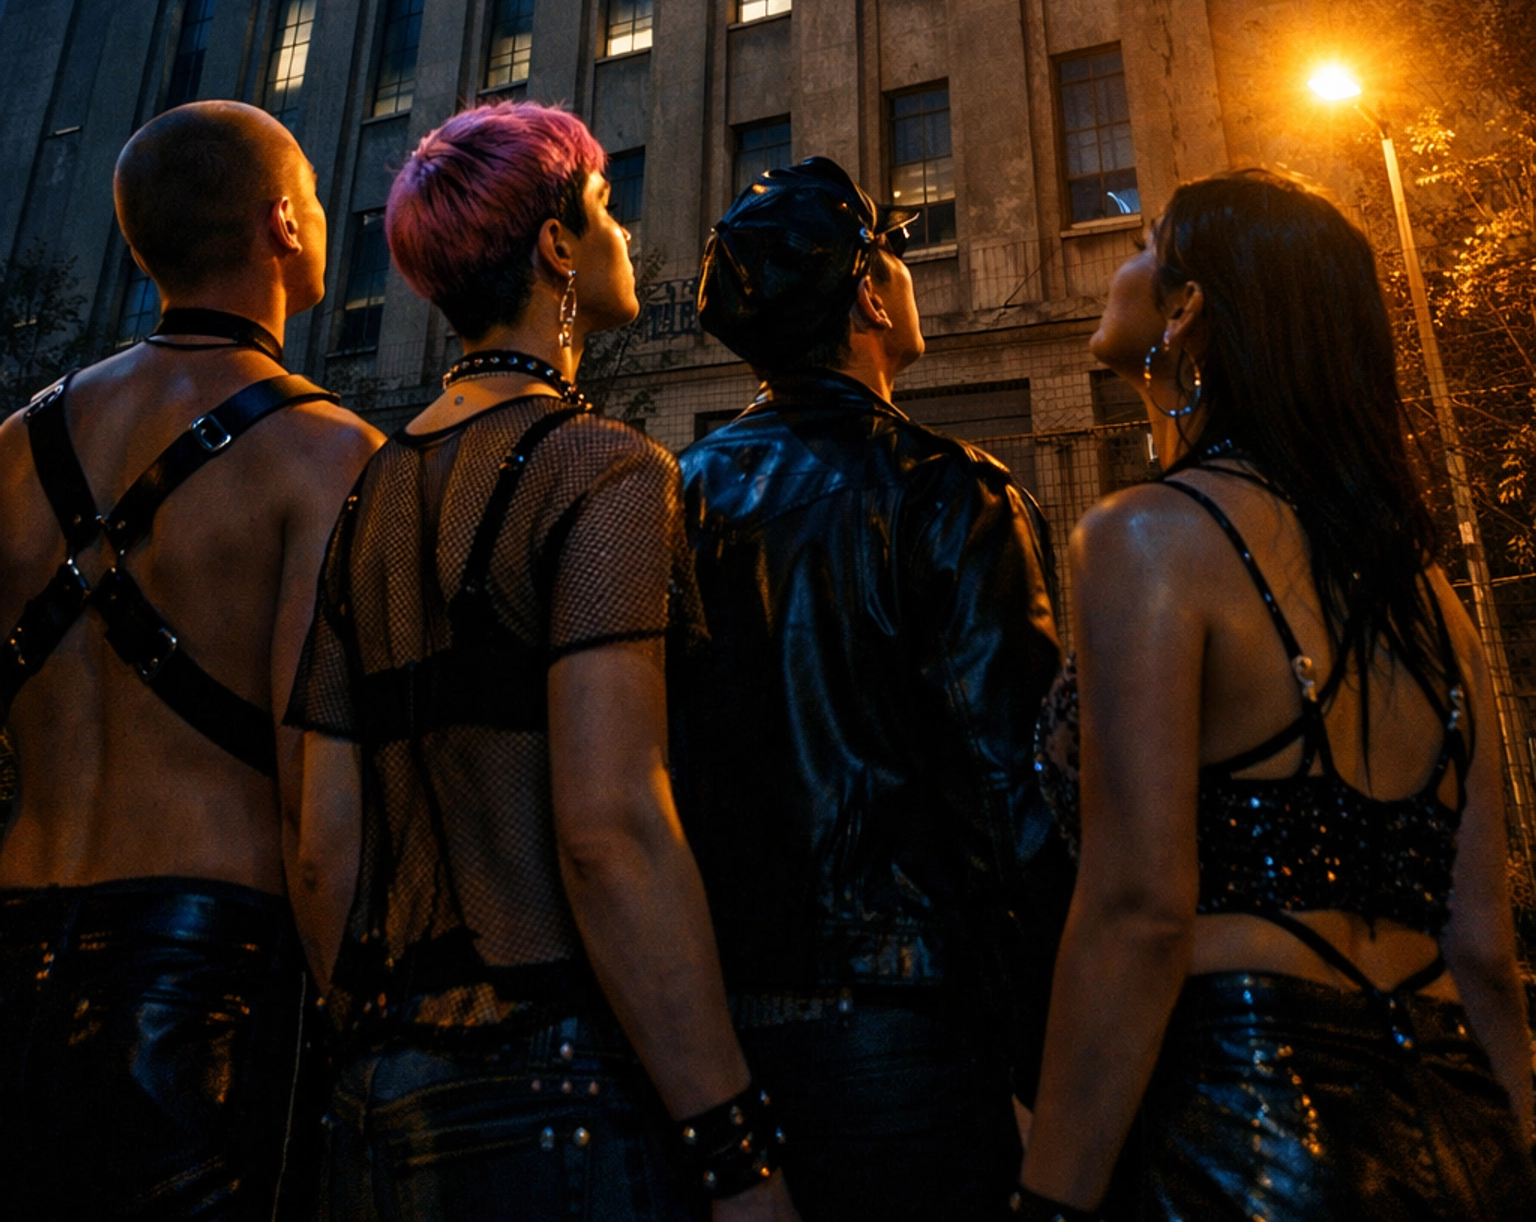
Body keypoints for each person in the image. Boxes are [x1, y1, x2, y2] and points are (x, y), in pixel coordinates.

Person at [286, 100, 798, 1222]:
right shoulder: (603, 469)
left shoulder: (366, 497)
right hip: (556, 1089)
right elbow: (611, 832)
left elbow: (321, 850)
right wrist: (735, 1148)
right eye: (606, 208)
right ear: (558, 247)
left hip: (374, 1097)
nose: (624, 233)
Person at [1022, 167, 1536, 1222]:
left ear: (1187, 307)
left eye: (1145, 242)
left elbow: (1138, 913)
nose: (1122, 260)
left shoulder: (1144, 538)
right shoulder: (1428, 596)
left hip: (1245, 1125)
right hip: (1459, 1123)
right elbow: (1484, 947)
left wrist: (1050, 1201)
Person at [671, 155, 1071, 1222]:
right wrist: (1053, 1062)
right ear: (868, 299)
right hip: (910, 1031)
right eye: (892, 253)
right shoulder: (949, 494)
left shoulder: (678, 499)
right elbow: (1012, 798)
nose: (906, 270)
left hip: (713, 1046)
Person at [0, 100, 381, 1219]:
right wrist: (356, 1032)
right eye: (315, 194)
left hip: (11, 946)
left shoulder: (13, 452)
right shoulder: (327, 456)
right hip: (201, 983)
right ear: (283, 224)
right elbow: (320, 811)